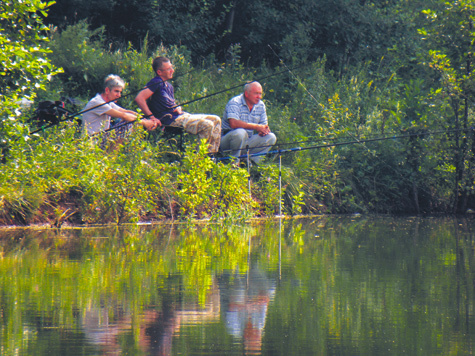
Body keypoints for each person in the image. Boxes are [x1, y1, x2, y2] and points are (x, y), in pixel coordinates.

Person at [134, 56, 222, 153]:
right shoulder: (156, 82)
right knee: (207, 125)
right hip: (170, 120)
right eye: (169, 69)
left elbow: (168, 102)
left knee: (216, 119)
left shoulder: (169, 86)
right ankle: (199, 159)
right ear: (159, 72)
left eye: (172, 67)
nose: (172, 70)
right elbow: (139, 98)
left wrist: (177, 106)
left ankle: (211, 155)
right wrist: (151, 117)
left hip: (181, 116)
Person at [81, 74, 158, 142]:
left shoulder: (109, 103)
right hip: (92, 142)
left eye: (120, 92)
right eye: (116, 91)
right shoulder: (97, 102)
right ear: (107, 90)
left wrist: (146, 120)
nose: (119, 95)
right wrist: (145, 123)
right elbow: (124, 116)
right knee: (127, 123)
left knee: (132, 120)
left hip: (102, 138)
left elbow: (126, 112)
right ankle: (112, 155)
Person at [220, 81, 276, 164]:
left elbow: (264, 125)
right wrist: (256, 127)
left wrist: (263, 131)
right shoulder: (235, 102)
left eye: (260, 94)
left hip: (246, 141)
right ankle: (234, 164)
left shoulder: (261, 105)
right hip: (227, 142)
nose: (259, 97)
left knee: (271, 137)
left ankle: (252, 163)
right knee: (240, 132)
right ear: (246, 94)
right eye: (256, 93)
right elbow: (233, 123)